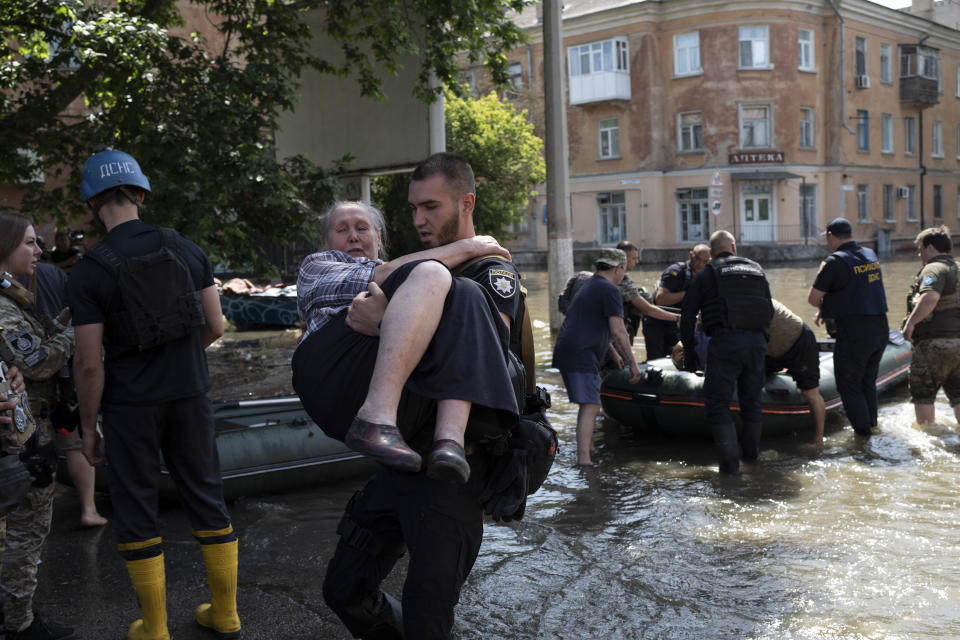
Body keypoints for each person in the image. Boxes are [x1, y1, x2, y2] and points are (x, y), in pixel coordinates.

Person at [320, 152, 531, 639]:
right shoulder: (418, 268)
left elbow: (490, 354)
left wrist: (383, 325)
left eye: (431, 207)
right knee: (344, 589)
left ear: (466, 203)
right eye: (413, 208)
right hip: (400, 459)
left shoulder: (487, 271)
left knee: (428, 617)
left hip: (453, 472)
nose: (418, 220)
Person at [67, 150, 240, 640]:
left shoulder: (89, 272)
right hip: (190, 394)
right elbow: (215, 325)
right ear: (140, 193)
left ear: (92, 202)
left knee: (138, 508)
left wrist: (87, 427)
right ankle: (226, 614)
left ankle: (156, 628)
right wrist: (181, 359)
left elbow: (89, 362)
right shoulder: (187, 249)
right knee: (208, 498)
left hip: (130, 407)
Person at [292, 200, 519, 484]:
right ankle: (376, 416)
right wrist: (470, 246)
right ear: (325, 241)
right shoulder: (317, 266)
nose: (353, 236)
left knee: (466, 293)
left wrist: (382, 321)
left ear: (378, 237)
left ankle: (449, 441)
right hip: (333, 375)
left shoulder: (410, 287)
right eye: (342, 229)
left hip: (402, 389)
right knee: (432, 272)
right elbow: (384, 274)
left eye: (362, 228)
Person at [0, 212, 76, 640]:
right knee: (26, 536)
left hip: (28, 431)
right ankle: (20, 625)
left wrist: (64, 319)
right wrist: (78, 331)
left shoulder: (13, 299)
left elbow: (39, 343)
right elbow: (40, 361)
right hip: (20, 440)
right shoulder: (2, 307)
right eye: (30, 243)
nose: (39, 251)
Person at [18, 262, 106, 528]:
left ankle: (32, 519)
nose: (36, 251)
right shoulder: (52, 273)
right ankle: (88, 509)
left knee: (31, 446)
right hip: (60, 373)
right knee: (73, 442)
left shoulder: (13, 279)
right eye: (30, 243)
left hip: (31, 380)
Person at [680, 230, 773, 475]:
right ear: (733, 246)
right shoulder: (757, 269)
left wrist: (689, 352)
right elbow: (769, 310)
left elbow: (687, 315)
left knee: (718, 404)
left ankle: (730, 472)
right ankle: (752, 461)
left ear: (711, 253)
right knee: (752, 403)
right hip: (757, 342)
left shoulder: (708, 273)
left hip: (726, 342)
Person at [553, 248, 643, 466]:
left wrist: (612, 352)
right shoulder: (610, 290)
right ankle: (584, 460)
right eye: (623, 269)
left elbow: (590, 322)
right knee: (591, 405)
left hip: (570, 349)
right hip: (580, 352)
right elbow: (618, 330)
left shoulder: (591, 285)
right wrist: (633, 364)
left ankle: (589, 448)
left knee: (589, 404)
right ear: (618, 269)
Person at [808, 217, 889, 437]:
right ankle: (872, 425)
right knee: (867, 382)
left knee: (849, 385)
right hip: (881, 329)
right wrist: (830, 308)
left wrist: (824, 308)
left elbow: (813, 298)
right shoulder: (870, 254)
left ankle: (863, 439)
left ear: (831, 236)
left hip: (856, 333)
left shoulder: (834, 262)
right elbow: (859, 289)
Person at [901, 225, 960, 425]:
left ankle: (928, 437)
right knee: (958, 396)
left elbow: (930, 297)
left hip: (933, 345)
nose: (920, 254)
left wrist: (910, 324)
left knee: (923, 395)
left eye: (920, 250)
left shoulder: (934, 268)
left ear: (930, 248)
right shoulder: (958, 268)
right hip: (958, 344)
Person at [765, 299, 826, 443]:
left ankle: (819, 439)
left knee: (810, 393)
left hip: (799, 341)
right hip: (770, 350)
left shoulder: (756, 298)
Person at [644, 243, 711, 360]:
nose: (700, 265)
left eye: (705, 262)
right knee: (656, 359)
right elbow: (661, 299)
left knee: (680, 357)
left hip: (680, 323)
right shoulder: (676, 271)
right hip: (658, 322)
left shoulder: (706, 276)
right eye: (697, 260)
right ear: (691, 256)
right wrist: (689, 293)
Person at [614, 241, 678, 347]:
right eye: (634, 258)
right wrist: (678, 318)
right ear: (623, 259)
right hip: (615, 337)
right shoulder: (621, 281)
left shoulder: (609, 276)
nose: (637, 262)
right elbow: (648, 309)